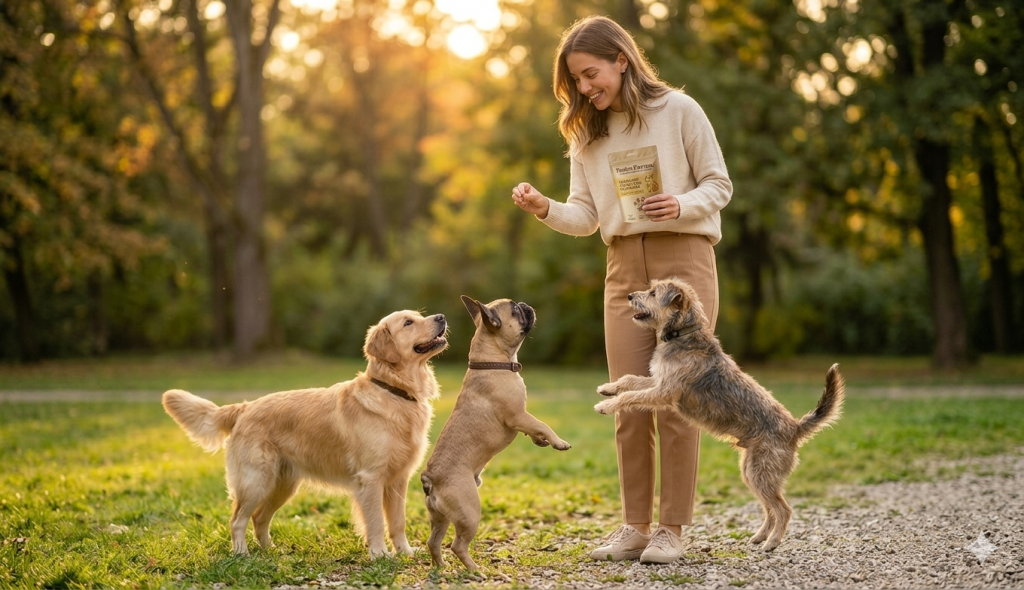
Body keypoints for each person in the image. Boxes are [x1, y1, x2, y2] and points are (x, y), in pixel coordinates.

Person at [511, 15, 732, 564]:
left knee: (678, 399)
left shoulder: (680, 110)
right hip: (623, 270)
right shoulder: (586, 132)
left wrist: (680, 205)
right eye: (576, 83)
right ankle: (635, 526)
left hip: (682, 263)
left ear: (622, 60)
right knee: (626, 397)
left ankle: (671, 530)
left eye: (591, 75)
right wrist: (545, 209)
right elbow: (585, 215)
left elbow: (719, 184)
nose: (586, 89)